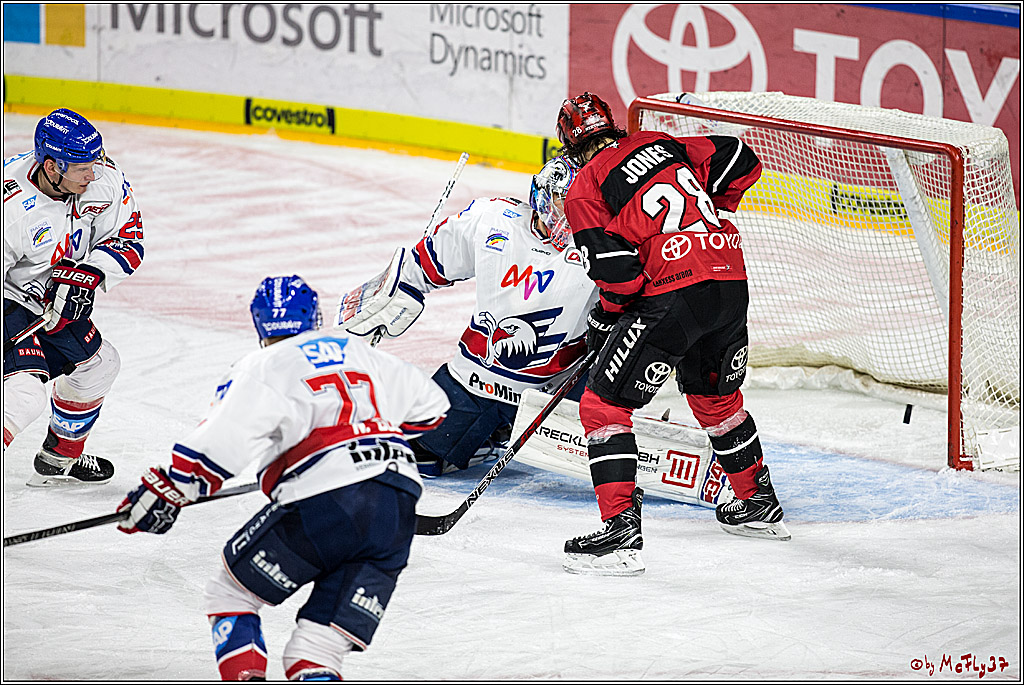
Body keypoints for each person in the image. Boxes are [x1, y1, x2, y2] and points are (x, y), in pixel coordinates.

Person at [117, 275, 450, 681]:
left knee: (231, 594)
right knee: (316, 649)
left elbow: (221, 442)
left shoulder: (263, 364)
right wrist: (372, 439)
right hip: (397, 503)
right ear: (315, 316)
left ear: (260, 326)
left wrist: (169, 488)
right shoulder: (361, 351)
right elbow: (433, 408)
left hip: (327, 499)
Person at [555, 92, 791, 577]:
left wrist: (610, 317)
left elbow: (619, 276)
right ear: (612, 127)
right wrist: (711, 215)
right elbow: (742, 159)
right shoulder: (662, 142)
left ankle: (619, 532)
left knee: (602, 406)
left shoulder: (584, 185)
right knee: (716, 399)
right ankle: (757, 502)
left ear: (568, 145)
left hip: (676, 294)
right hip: (729, 279)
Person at [338, 156, 598, 477]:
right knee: (419, 458)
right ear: (543, 196)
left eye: (582, 202)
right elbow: (426, 263)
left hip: (557, 392)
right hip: (475, 383)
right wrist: (398, 290)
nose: (571, 212)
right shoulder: (493, 219)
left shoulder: (604, 246)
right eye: (564, 200)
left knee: (604, 449)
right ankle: (489, 433)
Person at [3, 108, 145, 486]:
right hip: (10, 300)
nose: (93, 174)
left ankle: (58, 459)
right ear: (51, 167)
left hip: (55, 301)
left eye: (94, 163)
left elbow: (129, 241)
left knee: (100, 366)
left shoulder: (103, 179)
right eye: (82, 168)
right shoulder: (9, 209)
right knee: (24, 395)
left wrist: (88, 274)